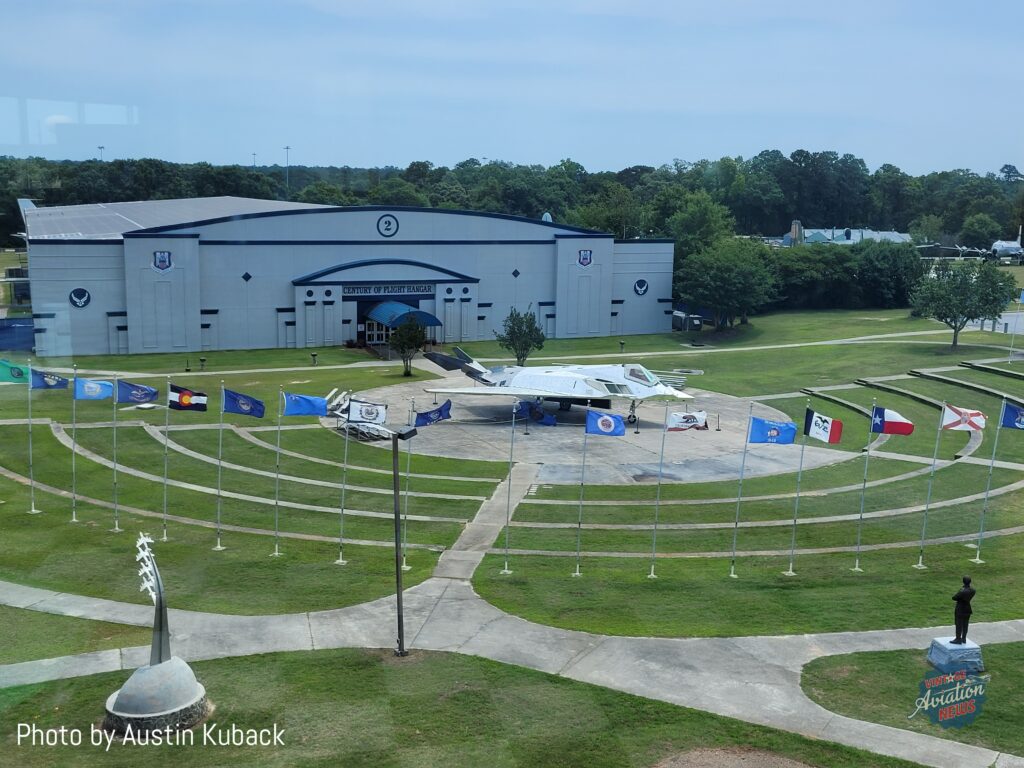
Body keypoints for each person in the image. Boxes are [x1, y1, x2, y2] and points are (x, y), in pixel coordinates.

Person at [951, 576, 976, 644]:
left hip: (960, 608)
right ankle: (964, 638)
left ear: (963, 582)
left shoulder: (962, 591)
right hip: (967, 608)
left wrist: (961, 590)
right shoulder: (973, 590)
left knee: (959, 624)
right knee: (965, 624)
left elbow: (954, 597)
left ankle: (958, 638)